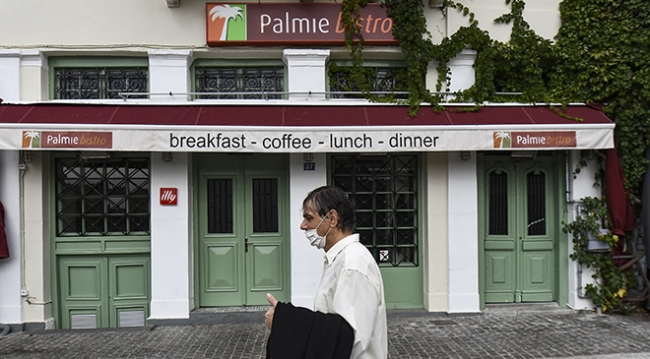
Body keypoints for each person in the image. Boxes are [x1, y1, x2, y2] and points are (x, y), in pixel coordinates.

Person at [265, 186, 387, 359]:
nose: (303, 226)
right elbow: (332, 327)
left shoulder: (353, 263)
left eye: (309, 218)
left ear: (332, 218)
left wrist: (285, 322)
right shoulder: (339, 259)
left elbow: (349, 339)